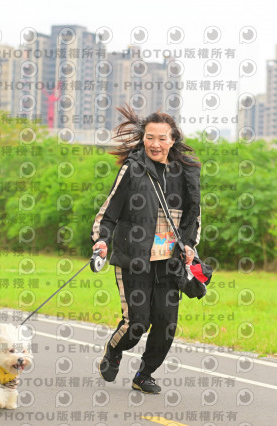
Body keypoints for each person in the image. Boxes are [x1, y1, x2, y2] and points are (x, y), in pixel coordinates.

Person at [90, 104, 202, 394]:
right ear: (143, 139)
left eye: (162, 138)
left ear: (173, 140)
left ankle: (144, 374)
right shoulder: (133, 168)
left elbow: (194, 217)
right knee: (137, 323)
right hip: (134, 258)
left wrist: (190, 245)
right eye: (150, 137)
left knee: (166, 324)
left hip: (169, 262)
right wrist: (102, 240)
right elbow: (109, 211)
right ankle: (114, 350)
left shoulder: (186, 172)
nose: (155, 144)